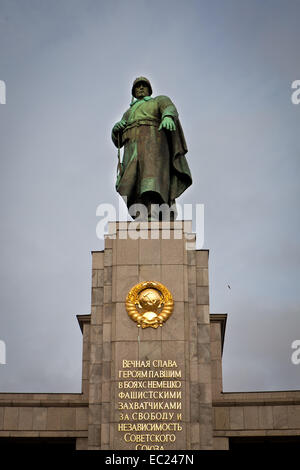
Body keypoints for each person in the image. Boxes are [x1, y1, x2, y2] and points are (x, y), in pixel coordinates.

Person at [111, 76, 192, 220]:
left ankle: (152, 213)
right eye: (137, 86)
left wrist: (167, 116)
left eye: (144, 85)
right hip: (132, 148)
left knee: (151, 180)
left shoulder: (158, 100)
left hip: (153, 143)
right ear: (134, 92)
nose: (141, 88)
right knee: (133, 182)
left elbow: (170, 108)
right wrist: (115, 130)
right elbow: (118, 141)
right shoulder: (128, 112)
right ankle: (140, 214)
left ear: (149, 89)